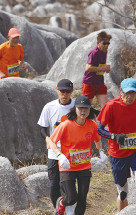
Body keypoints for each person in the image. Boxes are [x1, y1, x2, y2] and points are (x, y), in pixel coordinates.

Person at [96, 78, 136, 212]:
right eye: (126, 93)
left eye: (133, 93)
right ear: (120, 91)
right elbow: (98, 129)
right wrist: (114, 137)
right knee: (123, 192)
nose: (129, 97)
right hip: (117, 153)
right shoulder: (111, 106)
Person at [46, 95, 108, 215]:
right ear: (75, 109)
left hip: (84, 166)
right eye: (80, 108)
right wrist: (60, 155)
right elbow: (50, 142)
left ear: (89, 109)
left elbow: (97, 138)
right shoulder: (66, 125)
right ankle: (61, 203)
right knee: (71, 198)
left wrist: (101, 151)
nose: (83, 111)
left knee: (82, 198)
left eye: (86, 108)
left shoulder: (92, 125)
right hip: (67, 166)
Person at [38, 79, 76, 213]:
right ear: (56, 90)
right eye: (62, 91)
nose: (64, 94)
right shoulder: (49, 107)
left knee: (66, 184)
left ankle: (69, 208)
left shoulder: (77, 107)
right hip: (54, 151)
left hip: (71, 151)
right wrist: (48, 139)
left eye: (68, 91)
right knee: (54, 185)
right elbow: (42, 128)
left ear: (72, 91)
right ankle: (57, 208)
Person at [82, 31, 112, 108]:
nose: (106, 46)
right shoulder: (94, 52)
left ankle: (103, 120)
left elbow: (99, 66)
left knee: (105, 107)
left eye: (108, 43)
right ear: (98, 42)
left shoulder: (104, 51)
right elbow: (88, 67)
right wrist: (102, 68)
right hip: (89, 83)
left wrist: (105, 69)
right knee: (85, 107)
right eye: (104, 43)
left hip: (99, 83)